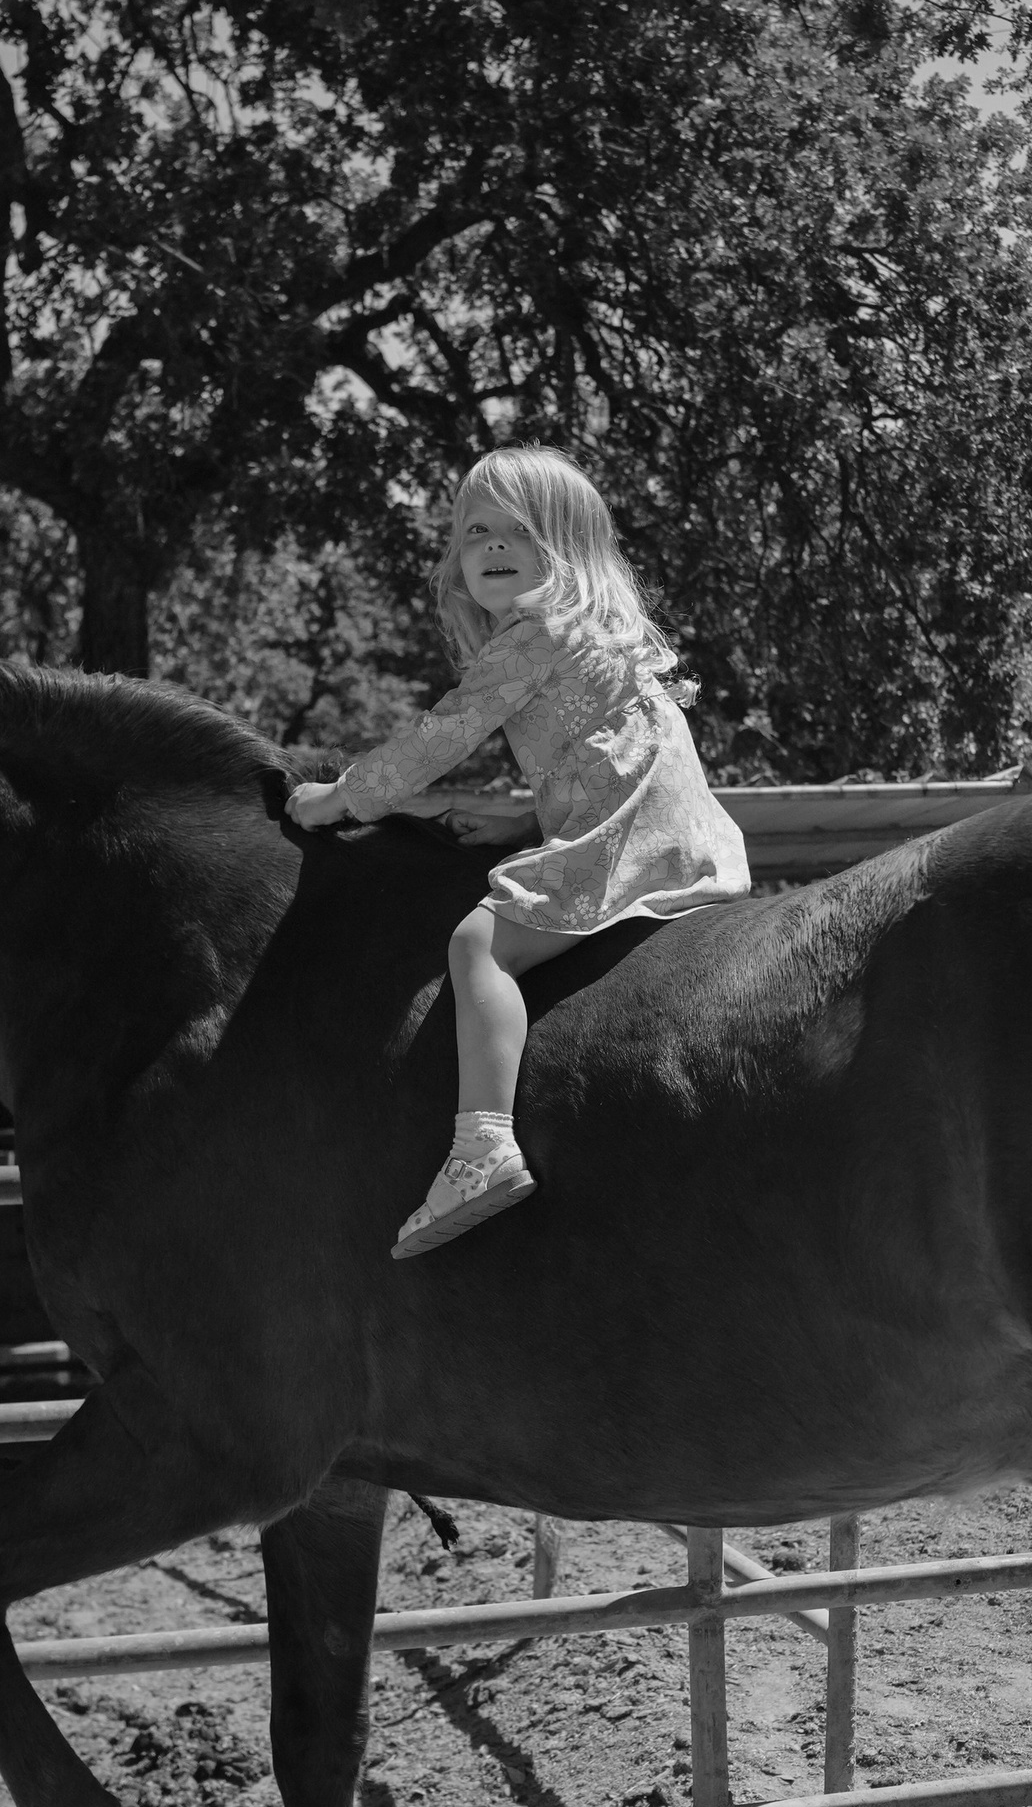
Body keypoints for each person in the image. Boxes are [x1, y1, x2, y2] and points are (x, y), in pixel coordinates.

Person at [286, 448, 749, 1257]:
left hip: (630, 830)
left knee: (478, 944)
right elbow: (601, 751)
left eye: (520, 530)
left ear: (567, 545)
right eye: (476, 531)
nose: (494, 545)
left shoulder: (534, 633)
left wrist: (340, 796)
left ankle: (482, 1145)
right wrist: (515, 825)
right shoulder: (592, 630)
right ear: (458, 557)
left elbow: (439, 738)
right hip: (679, 826)